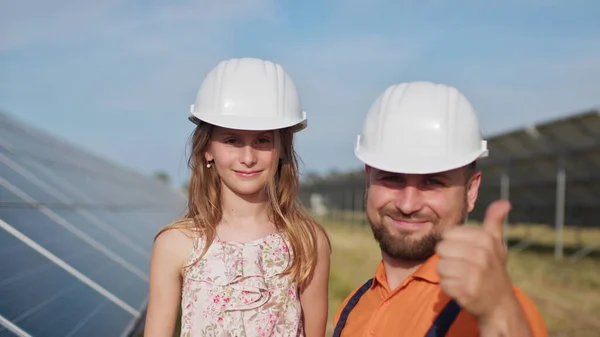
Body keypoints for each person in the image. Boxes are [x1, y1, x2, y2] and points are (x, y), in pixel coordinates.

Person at [332, 81, 548, 337]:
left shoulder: (499, 313)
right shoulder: (353, 307)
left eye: (433, 181)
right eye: (392, 178)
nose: (407, 204)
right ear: (368, 180)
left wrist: (497, 315)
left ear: (471, 191)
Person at [144, 57, 331, 337]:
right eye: (232, 140)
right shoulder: (176, 243)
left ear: (282, 148)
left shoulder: (307, 241)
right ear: (207, 149)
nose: (248, 157)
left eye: (263, 140)